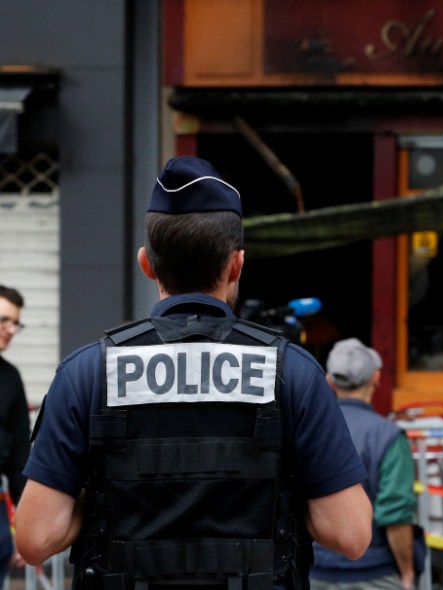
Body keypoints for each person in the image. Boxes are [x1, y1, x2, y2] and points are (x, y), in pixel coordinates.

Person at [13, 156, 373, 589]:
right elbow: (350, 536)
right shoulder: (292, 372)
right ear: (237, 264)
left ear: (147, 264)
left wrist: (108, 493)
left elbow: (35, 540)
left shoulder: (87, 373)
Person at [309, 337, 420, 590]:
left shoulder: (309, 430)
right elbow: (396, 515)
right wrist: (407, 573)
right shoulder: (388, 436)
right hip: (374, 573)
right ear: (377, 377)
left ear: (329, 381)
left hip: (314, 570)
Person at [0, 286, 32, 587]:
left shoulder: (10, 378)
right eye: (4, 320)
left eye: (15, 323)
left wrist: (26, 527)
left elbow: (21, 456)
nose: (11, 329)